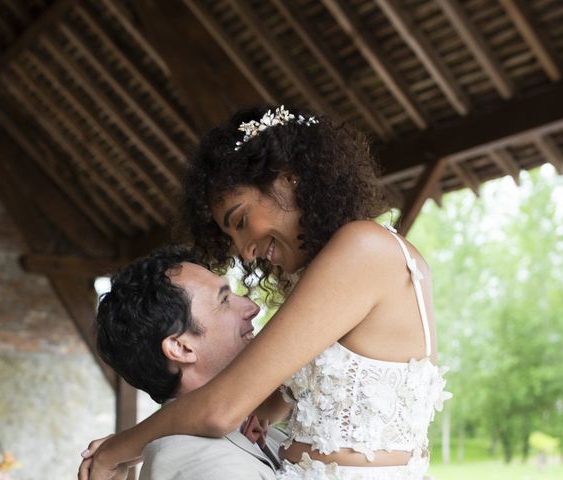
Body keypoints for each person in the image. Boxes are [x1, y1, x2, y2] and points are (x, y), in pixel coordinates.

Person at [80, 105, 451, 480]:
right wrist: (268, 408)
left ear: (289, 178)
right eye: (231, 236)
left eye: (240, 221)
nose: (244, 251)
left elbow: (219, 410)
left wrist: (120, 449)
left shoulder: (363, 250)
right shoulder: (341, 264)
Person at [94, 245, 288, 479]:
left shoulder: (252, 425)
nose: (253, 307)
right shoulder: (199, 465)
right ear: (181, 348)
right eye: (224, 300)